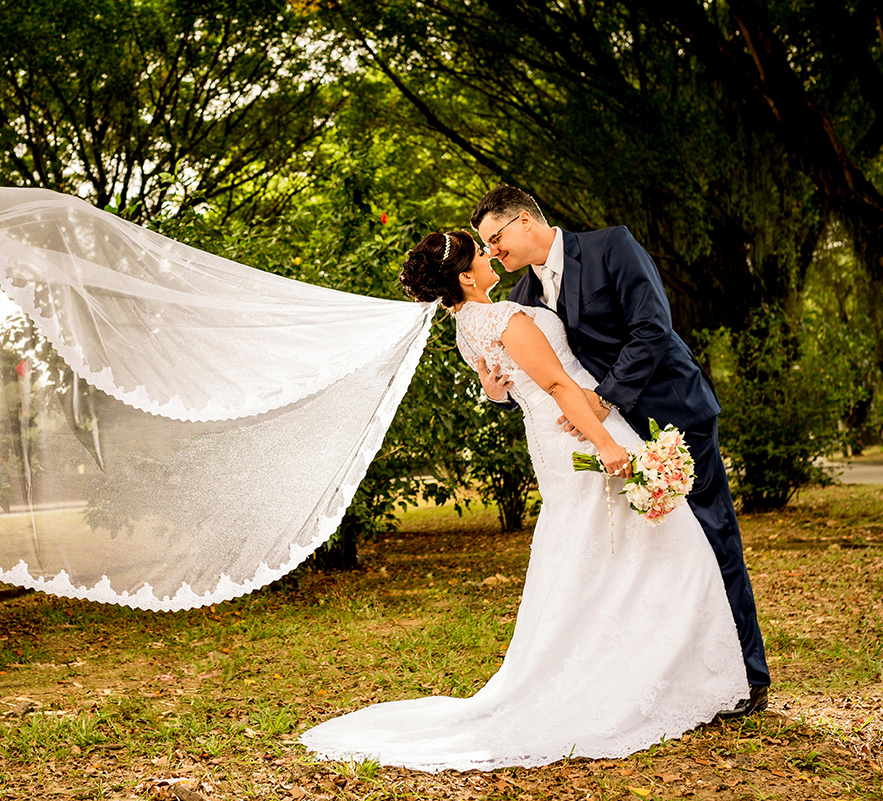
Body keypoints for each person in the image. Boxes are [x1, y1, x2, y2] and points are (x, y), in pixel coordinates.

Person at [299, 230, 748, 772]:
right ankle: (664, 673)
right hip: (580, 432)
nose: (491, 256)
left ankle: (651, 664)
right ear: (465, 277)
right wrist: (606, 445)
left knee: (606, 555)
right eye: (480, 252)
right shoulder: (506, 318)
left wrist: (497, 386)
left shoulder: (467, 327)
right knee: (663, 546)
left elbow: (499, 389)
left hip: (551, 445)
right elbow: (559, 384)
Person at [471, 186, 768, 715]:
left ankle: (747, 674)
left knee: (711, 535)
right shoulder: (521, 299)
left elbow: (653, 327)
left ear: (523, 221)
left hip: (674, 410)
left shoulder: (613, 247)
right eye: (484, 247)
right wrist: (495, 388)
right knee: (655, 558)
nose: (492, 252)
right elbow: (538, 379)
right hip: (615, 442)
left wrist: (605, 399)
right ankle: (683, 674)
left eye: (494, 239)